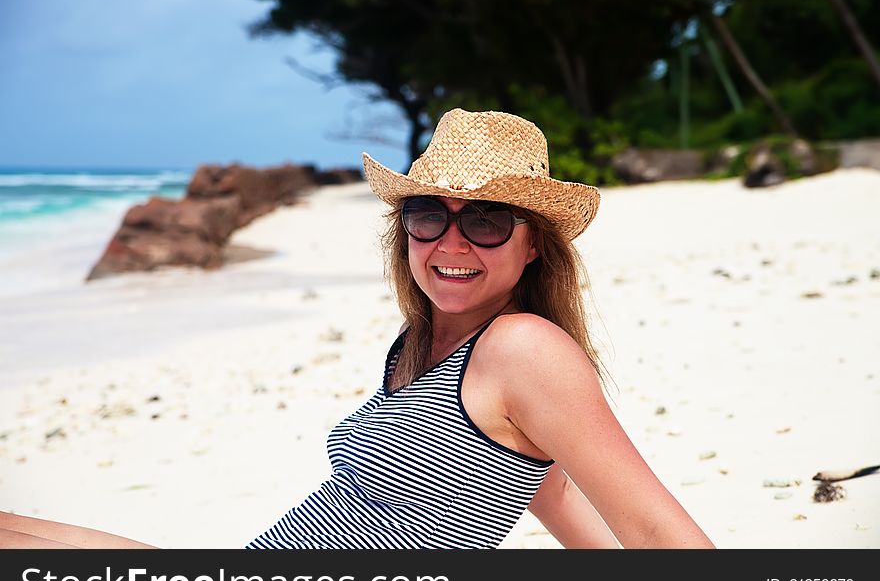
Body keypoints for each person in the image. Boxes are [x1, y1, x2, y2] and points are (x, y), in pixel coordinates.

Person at [0, 108, 714, 549]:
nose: (452, 243)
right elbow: (547, 489)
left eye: (488, 220)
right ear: (404, 231)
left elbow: (654, 533)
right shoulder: (419, 348)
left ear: (534, 245)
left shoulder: (524, 350)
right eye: (429, 215)